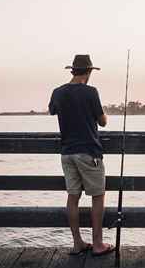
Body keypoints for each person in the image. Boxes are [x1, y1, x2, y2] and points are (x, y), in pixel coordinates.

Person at [48, 54, 115, 256]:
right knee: (97, 196)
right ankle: (97, 244)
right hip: (88, 152)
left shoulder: (58, 92)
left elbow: (52, 111)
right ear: (88, 72)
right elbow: (102, 122)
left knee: (73, 196)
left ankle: (77, 243)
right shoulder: (90, 92)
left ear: (72, 71)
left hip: (67, 153)